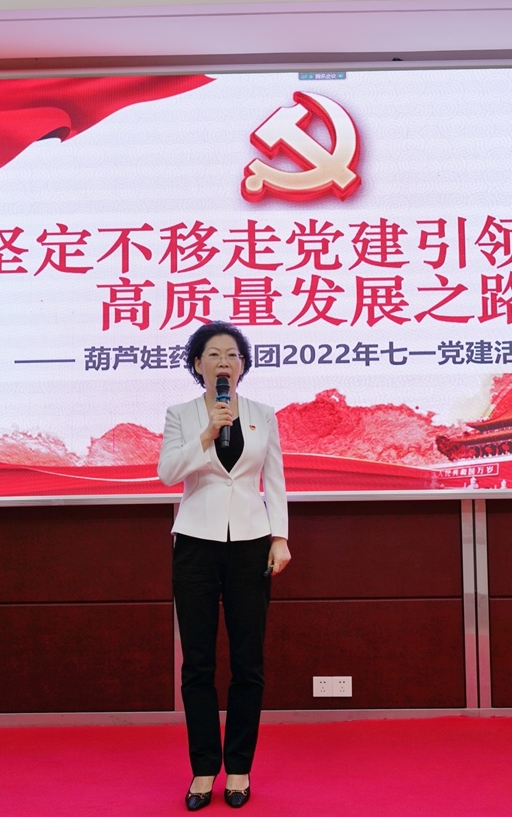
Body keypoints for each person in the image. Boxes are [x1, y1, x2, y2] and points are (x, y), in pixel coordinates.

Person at [158, 321, 291, 811]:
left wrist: (280, 537)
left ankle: (238, 767)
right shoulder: (181, 414)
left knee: (247, 661)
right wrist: (208, 432)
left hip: (251, 544)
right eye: (213, 354)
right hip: (196, 543)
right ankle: (202, 769)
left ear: (243, 365)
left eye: (232, 355)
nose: (223, 362)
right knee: (197, 663)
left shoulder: (262, 414)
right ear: (197, 365)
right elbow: (168, 473)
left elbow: (273, 480)